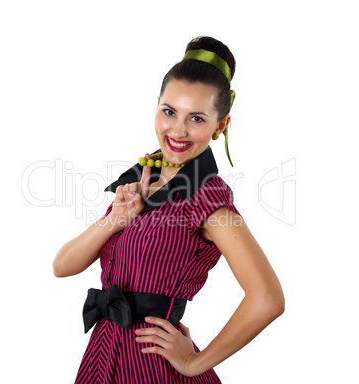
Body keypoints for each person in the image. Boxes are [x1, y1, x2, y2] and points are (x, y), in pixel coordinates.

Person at [53, 36, 285, 383]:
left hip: (151, 366)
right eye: (169, 112)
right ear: (157, 105)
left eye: (196, 118)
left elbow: (268, 299)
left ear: (220, 125)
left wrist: (194, 363)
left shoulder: (210, 202)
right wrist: (115, 220)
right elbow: (62, 266)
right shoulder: (141, 178)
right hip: (102, 356)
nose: (177, 130)